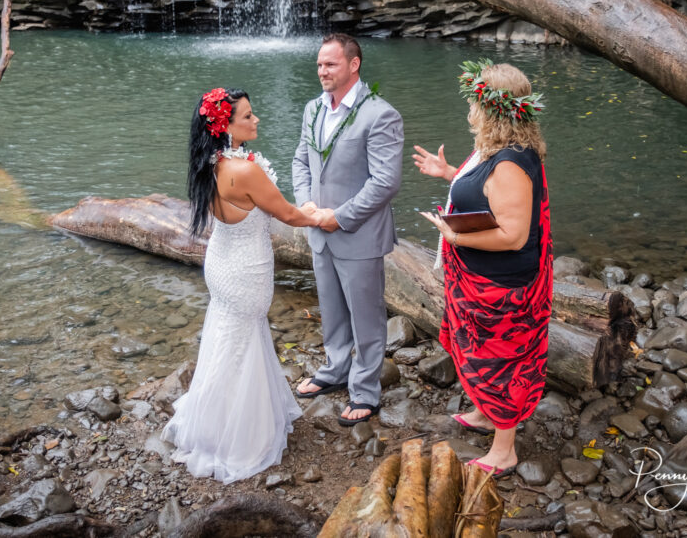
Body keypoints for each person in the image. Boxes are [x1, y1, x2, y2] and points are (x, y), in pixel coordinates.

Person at [162, 87, 322, 484]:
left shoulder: (210, 164)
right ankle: (238, 437)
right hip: (247, 270)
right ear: (225, 126)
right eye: (247, 116)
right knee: (243, 343)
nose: (256, 120)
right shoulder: (247, 171)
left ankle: (213, 421)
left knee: (227, 340)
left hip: (220, 263)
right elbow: (289, 215)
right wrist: (321, 214)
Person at [417, 60, 553, 478]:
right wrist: (449, 174)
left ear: (492, 109)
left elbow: (512, 235)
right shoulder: (494, 152)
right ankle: (483, 411)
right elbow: (487, 195)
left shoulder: (511, 162)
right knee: (475, 349)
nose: (469, 111)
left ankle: (504, 449)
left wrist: (455, 237)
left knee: (501, 360)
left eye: (474, 102)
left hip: (501, 285)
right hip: (478, 278)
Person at [292, 33, 404, 426]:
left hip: (357, 233)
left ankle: (366, 392)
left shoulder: (380, 114)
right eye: (320, 64)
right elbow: (301, 161)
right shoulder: (313, 109)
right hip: (319, 231)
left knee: (366, 317)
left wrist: (338, 216)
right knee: (332, 309)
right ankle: (335, 369)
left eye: (330, 64)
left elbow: (386, 182)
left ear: (353, 65)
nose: (322, 70)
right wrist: (307, 205)